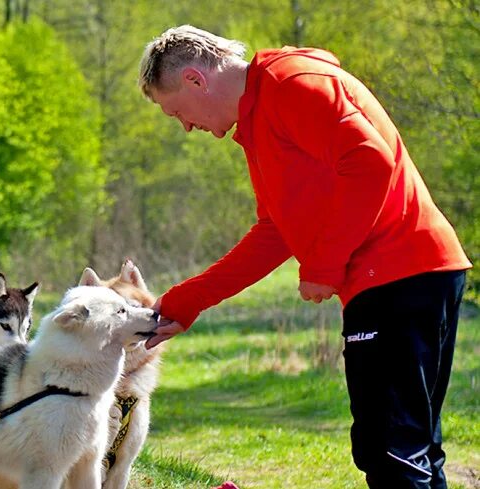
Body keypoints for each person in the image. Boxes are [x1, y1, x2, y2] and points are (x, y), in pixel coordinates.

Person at [138, 25, 471, 489]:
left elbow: (370, 161)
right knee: (406, 448)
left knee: (392, 450)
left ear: (196, 80)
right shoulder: (258, 124)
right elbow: (275, 232)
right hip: (400, 277)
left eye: (177, 112)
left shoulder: (291, 84)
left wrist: (323, 266)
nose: (187, 126)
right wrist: (187, 301)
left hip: (399, 273)